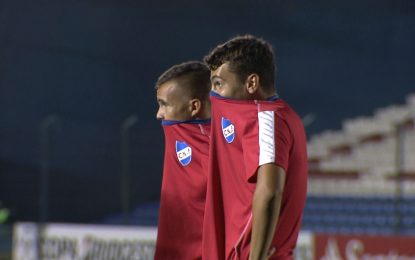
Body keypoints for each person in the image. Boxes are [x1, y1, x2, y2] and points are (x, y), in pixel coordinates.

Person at [202, 35, 308, 260]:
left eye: (219, 84)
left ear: (251, 83)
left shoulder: (267, 118)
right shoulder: (284, 116)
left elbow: (270, 191)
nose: (213, 94)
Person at [154, 61, 211, 260]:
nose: (159, 114)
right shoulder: (179, 132)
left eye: (164, 104)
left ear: (194, 106)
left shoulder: (218, 149)